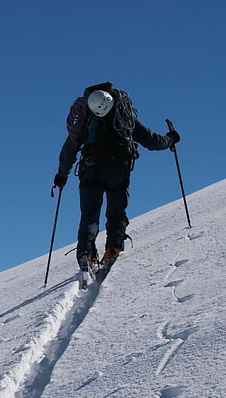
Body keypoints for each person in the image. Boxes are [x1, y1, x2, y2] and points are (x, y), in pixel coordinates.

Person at [53, 82, 180, 279]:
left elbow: (69, 150)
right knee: (116, 212)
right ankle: (113, 249)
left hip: (90, 170)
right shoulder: (123, 116)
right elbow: (152, 141)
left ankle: (86, 255)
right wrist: (170, 140)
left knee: (89, 216)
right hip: (117, 171)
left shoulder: (84, 119)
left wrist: (62, 176)